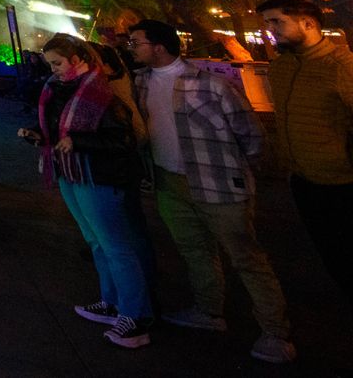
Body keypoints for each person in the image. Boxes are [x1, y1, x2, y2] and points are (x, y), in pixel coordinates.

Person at [125, 19, 292, 363]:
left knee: (247, 257)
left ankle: (276, 332)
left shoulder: (210, 84)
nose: (131, 48)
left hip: (218, 182)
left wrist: (241, 170)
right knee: (194, 249)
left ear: (158, 45)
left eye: (136, 42)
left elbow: (251, 134)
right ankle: (209, 311)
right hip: (168, 181)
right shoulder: (139, 82)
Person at [23, 33, 154, 349]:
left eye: (57, 63)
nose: (52, 69)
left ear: (77, 59)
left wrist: (79, 142)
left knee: (115, 245)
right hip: (69, 173)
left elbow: (122, 140)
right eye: (49, 64)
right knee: (96, 241)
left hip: (99, 177)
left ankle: (136, 318)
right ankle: (110, 302)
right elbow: (59, 131)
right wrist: (39, 136)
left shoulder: (101, 92)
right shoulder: (57, 90)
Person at [259, 0, 353, 304]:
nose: (270, 30)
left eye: (277, 22)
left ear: (308, 23)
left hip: (341, 184)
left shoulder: (341, 65)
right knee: (329, 252)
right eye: (268, 22)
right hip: (301, 179)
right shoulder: (282, 67)